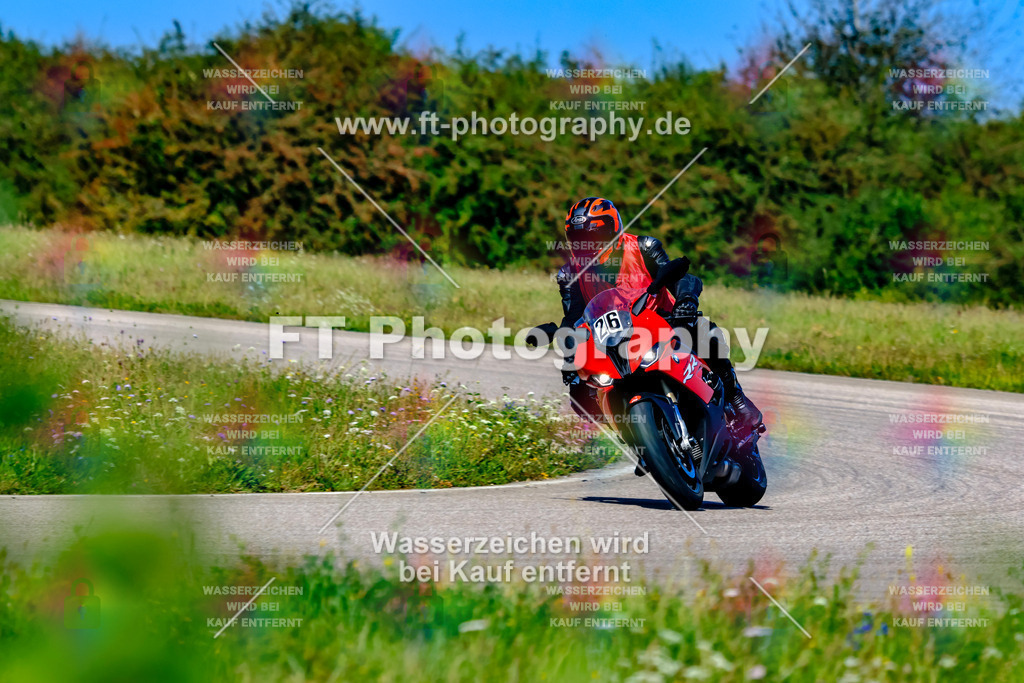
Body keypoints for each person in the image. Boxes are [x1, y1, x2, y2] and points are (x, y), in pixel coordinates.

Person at [554, 196, 761, 429]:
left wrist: (686, 301)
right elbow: (573, 318)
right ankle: (637, 441)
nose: (587, 244)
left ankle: (736, 398)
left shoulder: (644, 248)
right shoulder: (570, 274)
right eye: (579, 238)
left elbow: (682, 278)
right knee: (580, 396)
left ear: (614, 230)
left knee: (705, 331)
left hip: (664, 322)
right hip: (613, 340)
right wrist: (570, 354)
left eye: (594, 236)